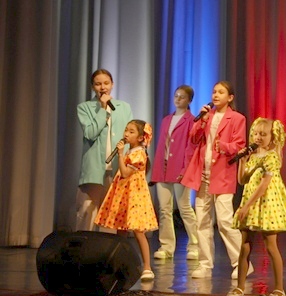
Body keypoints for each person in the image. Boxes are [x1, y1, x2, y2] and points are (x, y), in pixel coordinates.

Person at [181, 80, 247, 280]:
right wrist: (201, 120)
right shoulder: (207, 116)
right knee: (202, 221)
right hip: (203, 175)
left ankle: (241, 264)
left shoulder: (237, 118)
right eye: (214, 92)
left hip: (223, 175)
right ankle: (204, 264)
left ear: (230, 97)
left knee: (225, 221)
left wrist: (224, 146)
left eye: (221, 92)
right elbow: (193, 138)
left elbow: (240, 146)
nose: (216, 95)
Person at [228, 118, 286, 296]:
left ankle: (279, 289)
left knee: (271, 246)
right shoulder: (253, 156)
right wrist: (242, 161)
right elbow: (243, 180)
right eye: (256, 134)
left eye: (263, 134)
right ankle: (239, 287)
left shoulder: (272, 157)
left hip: (266, 203)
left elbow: (264, 185)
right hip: (250, 202)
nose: (258, 137)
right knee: (245, 246)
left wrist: (246, 206)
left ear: (271, 137)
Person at [94, 119, 159, 281]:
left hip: (135, 196)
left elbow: (124, 173)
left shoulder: (139, 154)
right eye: (126, 130)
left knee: (138, 231)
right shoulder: (131, 152)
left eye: (131, 131)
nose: (126, 134)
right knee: (121, 230)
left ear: (140, 137)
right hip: (124, 194)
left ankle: (147, 267)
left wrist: (120, 154)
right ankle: (118, 264)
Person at [76, 68, 135, 231]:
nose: (103, 87)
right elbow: (90, 133)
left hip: (117, 167)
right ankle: (84, 244)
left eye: (106, 83)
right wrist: (102, 109)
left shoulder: (124, 107)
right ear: (92, 87)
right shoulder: (85, 107)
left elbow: (130, 136)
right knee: (87, 211)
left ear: (112, 85)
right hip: (94, 168)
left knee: (112, 213)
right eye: (98, 84)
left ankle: (107, 246)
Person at [151, 85, 200, 261]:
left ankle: (195, 245)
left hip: (180, 169)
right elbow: (161, 146)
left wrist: (185, 169)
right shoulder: (166, 120)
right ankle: (166, 247)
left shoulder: (192, 121)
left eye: (182, 97)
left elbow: (190, 148)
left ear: (189, 100)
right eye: (176, 96)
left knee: (184, 207)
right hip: (163, 168)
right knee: (164, 209)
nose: (178, 99)